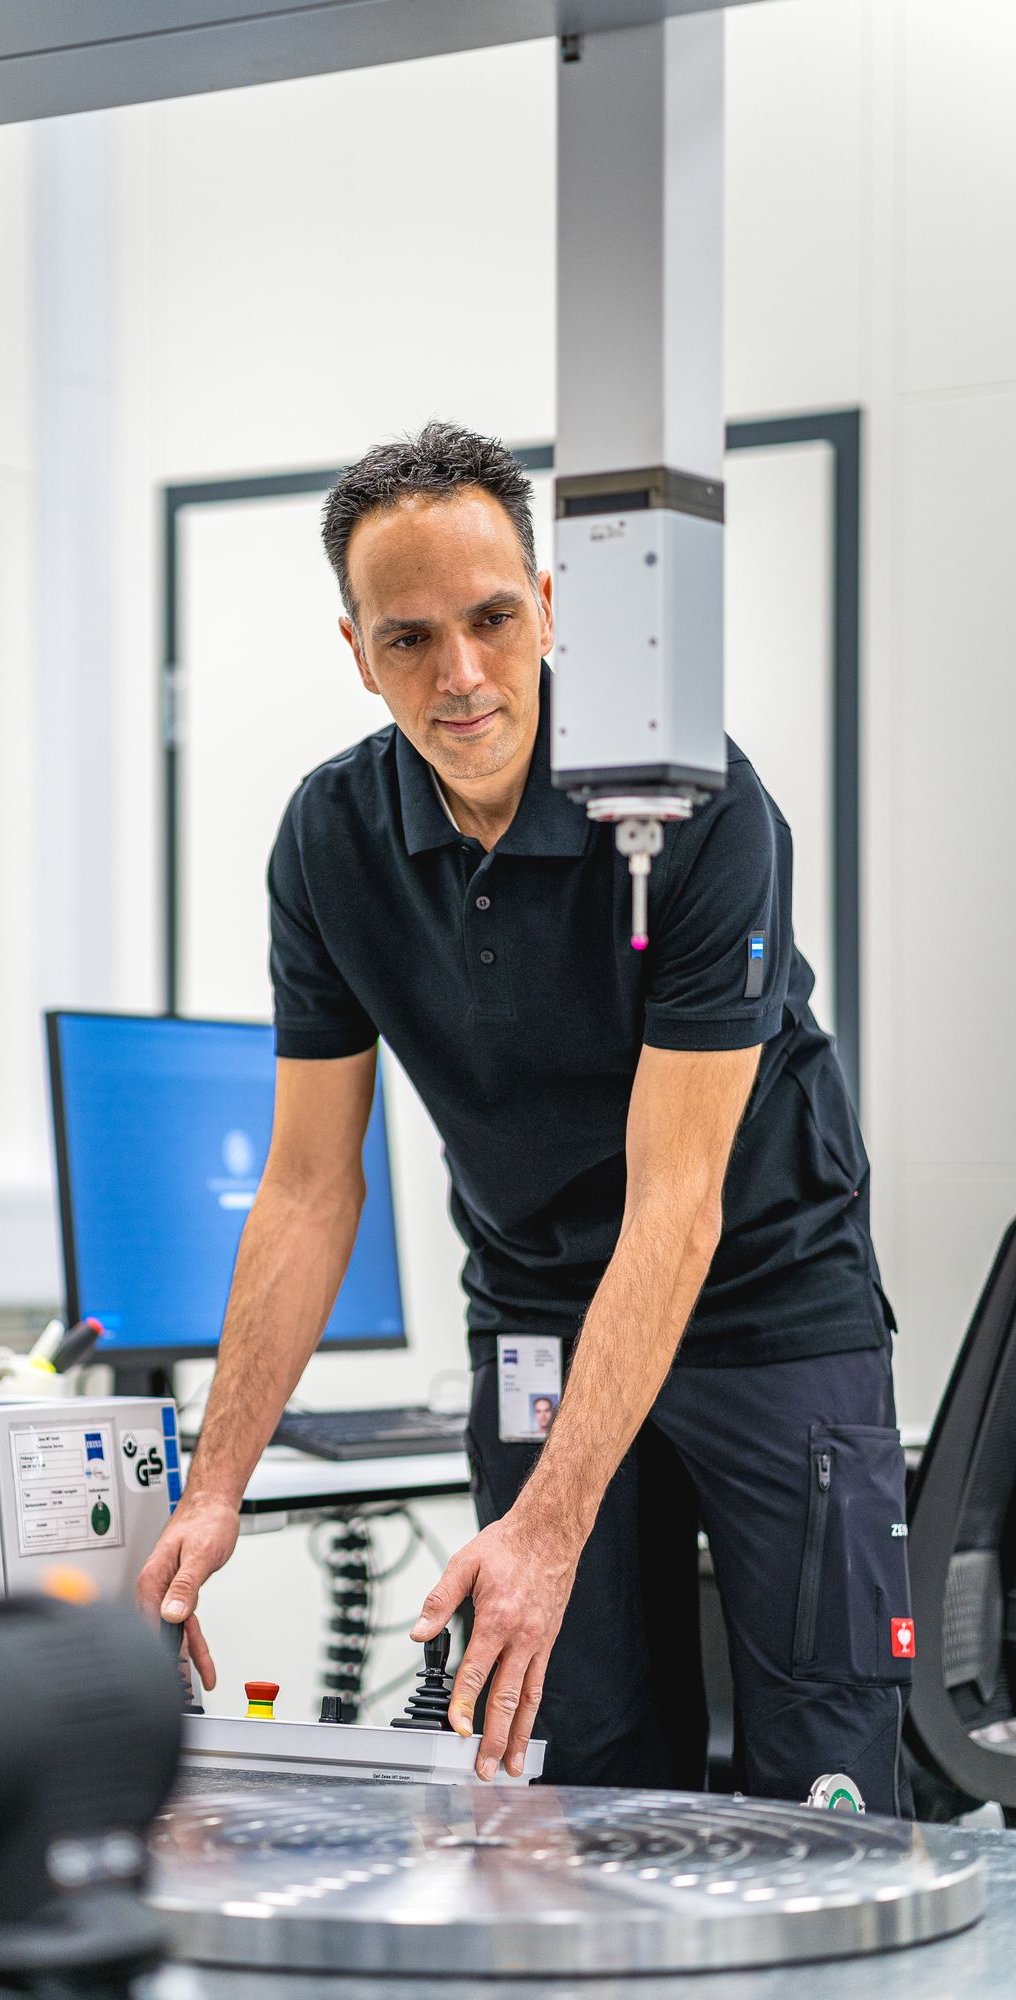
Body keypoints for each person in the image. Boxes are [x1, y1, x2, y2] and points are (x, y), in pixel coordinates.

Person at [137, 421, 912, 1813]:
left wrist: (549, 1526)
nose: (463, 675)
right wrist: (211, 1489)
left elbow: (677, 1205)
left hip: (761, 1307)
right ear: (354, 648)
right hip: (538, 1314)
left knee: (821, 1784)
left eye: (493, 618)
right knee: (564, 1770)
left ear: (550, 604)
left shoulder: (695, 809)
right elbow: (312, 1189)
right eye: (409, 638)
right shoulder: (329, 843)